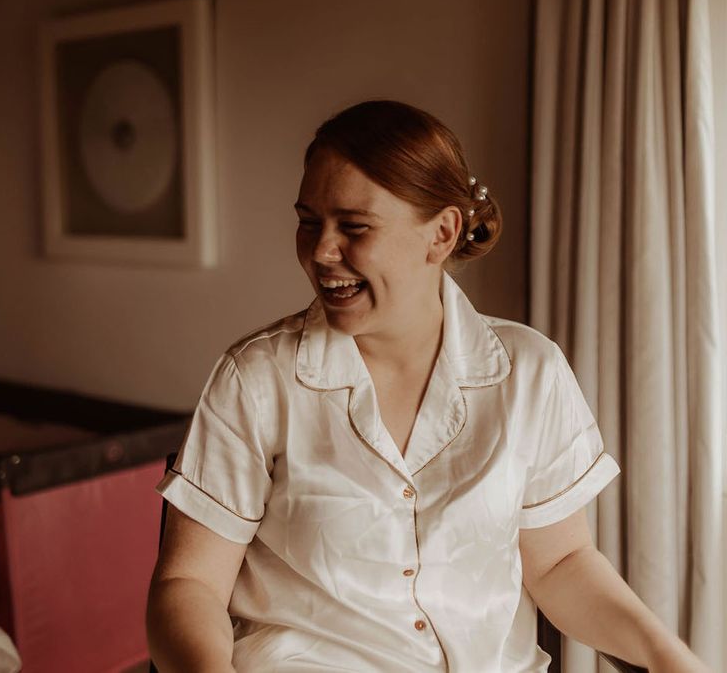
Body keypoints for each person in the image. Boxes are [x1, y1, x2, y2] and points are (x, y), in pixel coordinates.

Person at [146, 100, 711, 672]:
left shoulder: (531, 371)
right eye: (309, 221)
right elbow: (189, 582)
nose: (321, 251)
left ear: (441, 233)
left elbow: (561, 561)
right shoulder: (255, 378)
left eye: (354, 226)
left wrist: (669, 657)